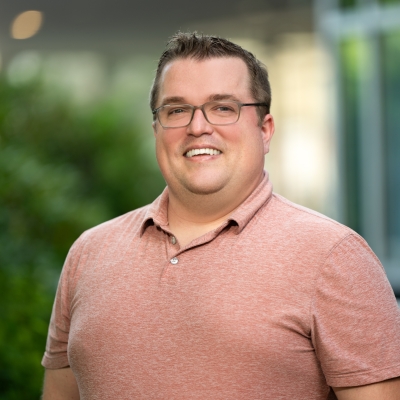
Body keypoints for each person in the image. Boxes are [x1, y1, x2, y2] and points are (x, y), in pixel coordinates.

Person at [41, 32, 400, 400]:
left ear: (264, 130)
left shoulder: (335, 257)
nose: (198, 127)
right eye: (177, 110)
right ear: (156, 130)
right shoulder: (89, 253)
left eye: (223, 108)